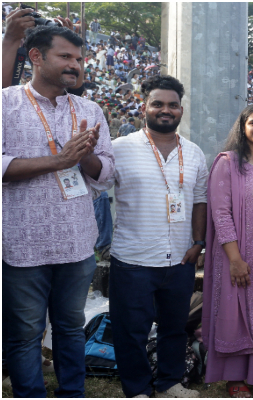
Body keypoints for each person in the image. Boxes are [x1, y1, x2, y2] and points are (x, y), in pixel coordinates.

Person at [2, 24, 113, 398]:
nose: (76, 65)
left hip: (77, 243)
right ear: (36, 57)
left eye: (79, 59)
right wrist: (57, 160)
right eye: (66, 57)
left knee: (68, 328)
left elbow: (107, 175)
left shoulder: (89, 108)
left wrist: (86, 156)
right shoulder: (5, 103)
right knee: (25, 334)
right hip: (22, 245)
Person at [102, 75, 207, 398]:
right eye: (158, 104)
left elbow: (200, 200)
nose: (166, 110)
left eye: (173, 105)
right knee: (130, 330)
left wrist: (198, 242)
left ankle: (169, 383)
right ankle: (136, 389)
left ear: (181, 109)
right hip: (133, 258)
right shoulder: (118, 148)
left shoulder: (194, 153)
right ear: (144, 106)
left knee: (174, 327)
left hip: (179, 258)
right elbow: (96, 188)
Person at [203, 104, 253, 398]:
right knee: (235, 311)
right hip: (236, 254)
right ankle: (234, 377)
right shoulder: (227, 162)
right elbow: (221, 213)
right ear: (243, 126)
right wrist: (235, 259)